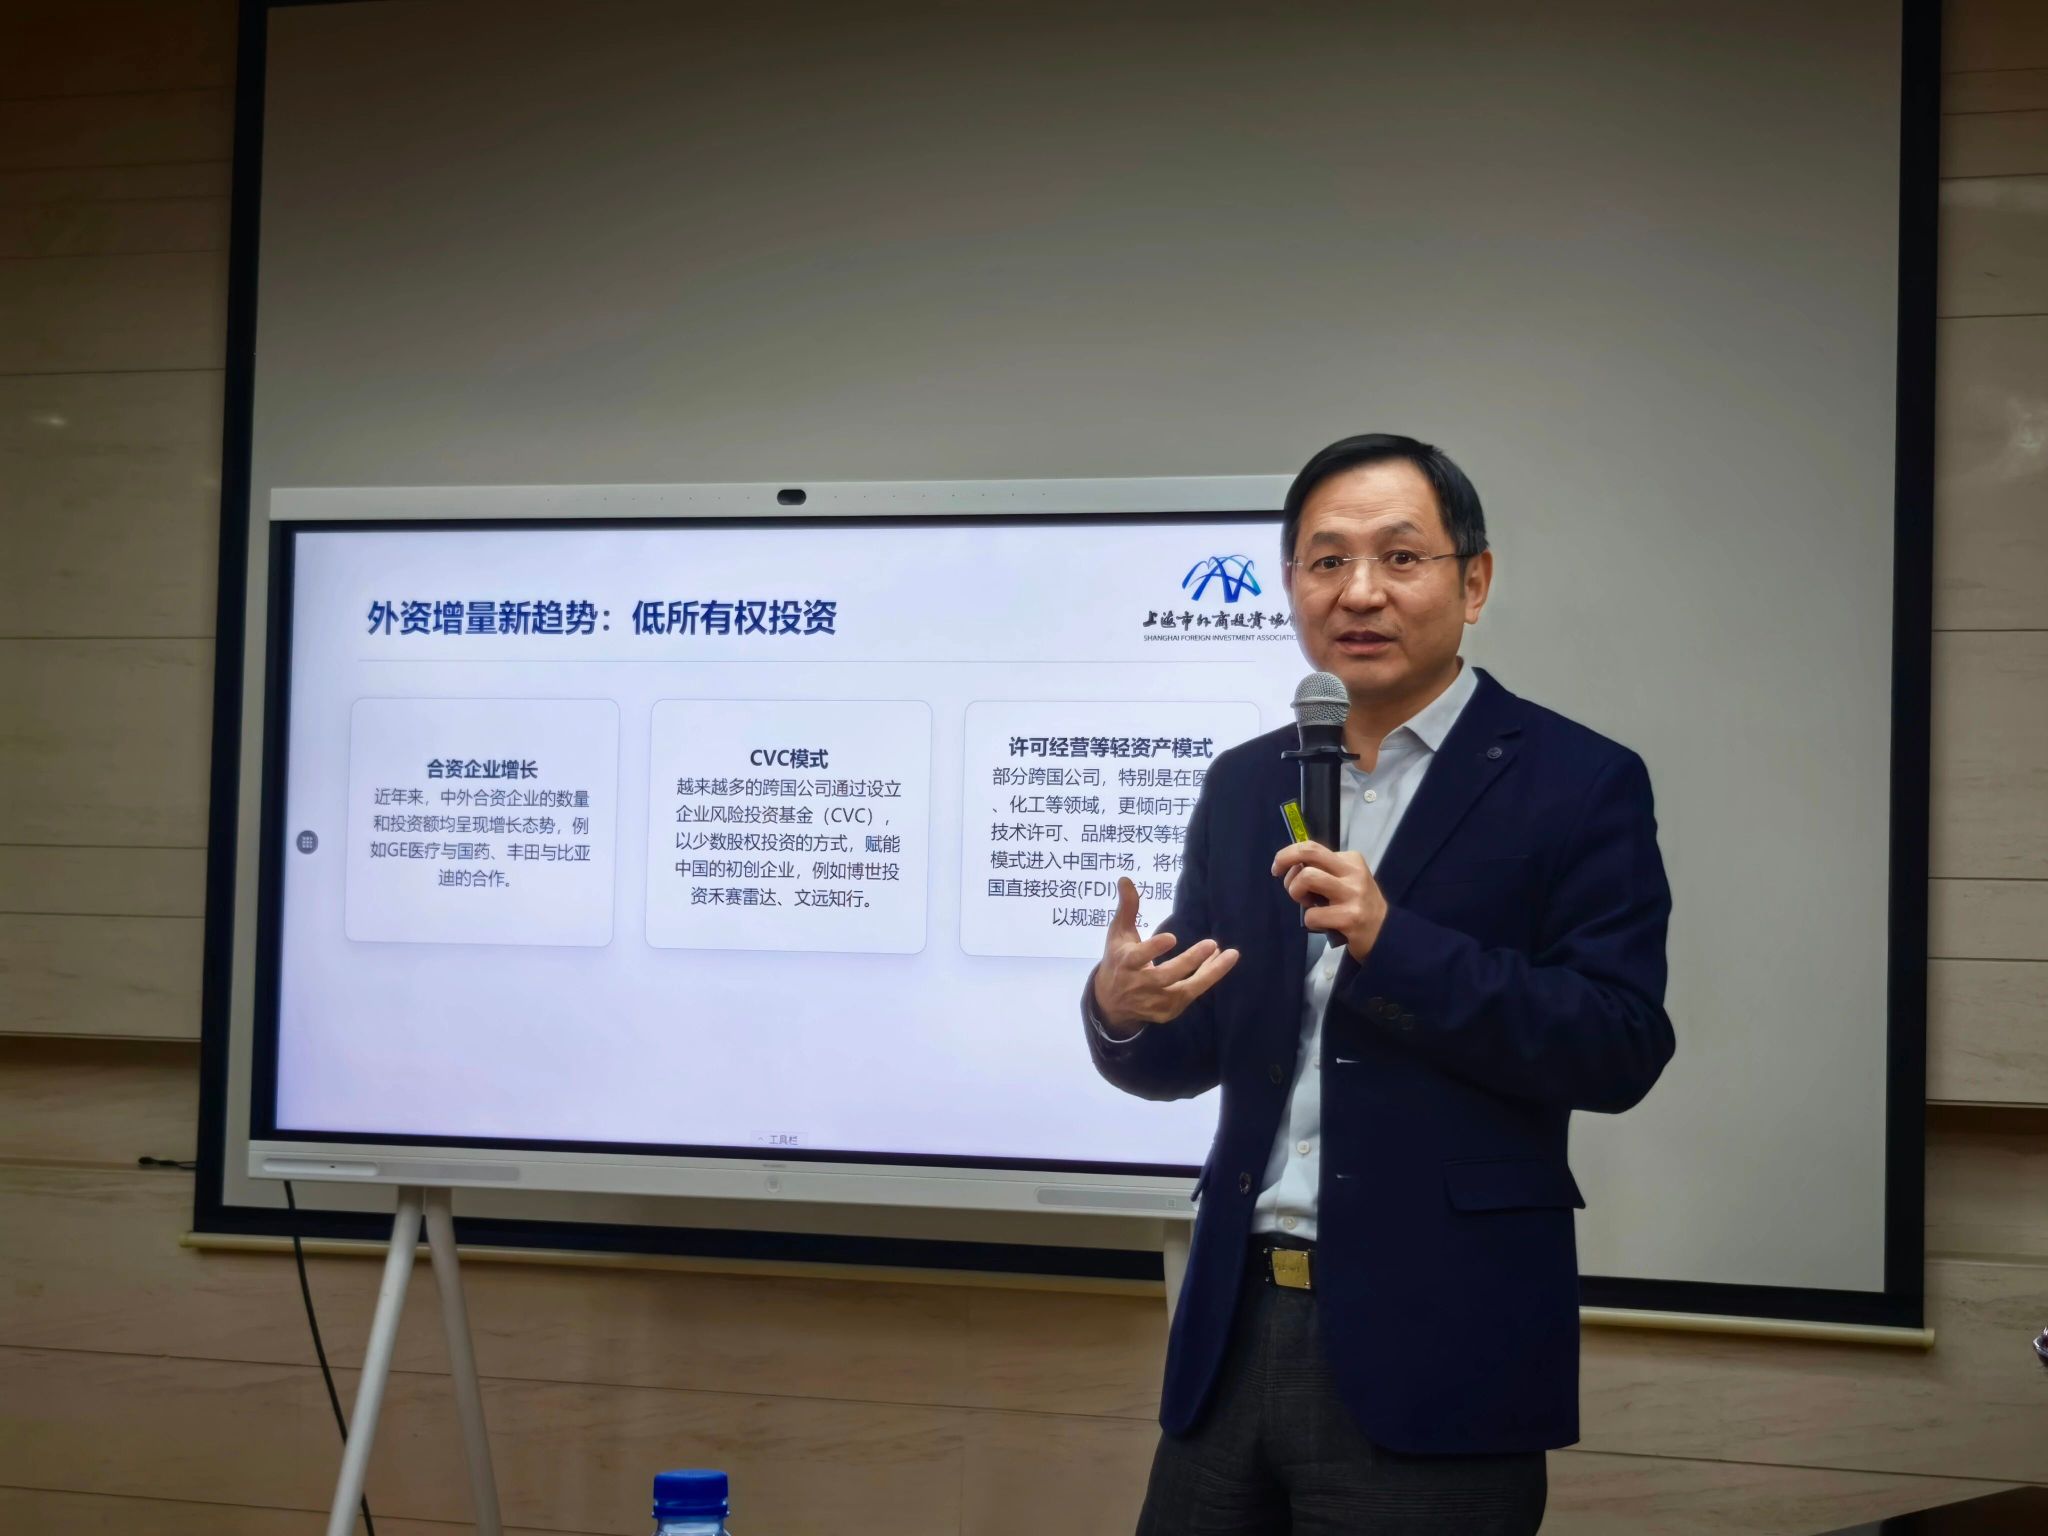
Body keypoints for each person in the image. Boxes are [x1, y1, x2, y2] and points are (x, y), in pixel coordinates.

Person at [1084, 433, 1676, 1534]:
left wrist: (1393, 943)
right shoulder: (1244, 781)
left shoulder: (1576, 781)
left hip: (1439, 1349)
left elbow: (1618, 1043)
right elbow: (1191, 1051)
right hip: (1230, 1334)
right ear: (1291, 585)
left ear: (1473, 582)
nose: (1358, 592)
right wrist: (1122, 1015)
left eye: (1400, 558)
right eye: (1326, 561)